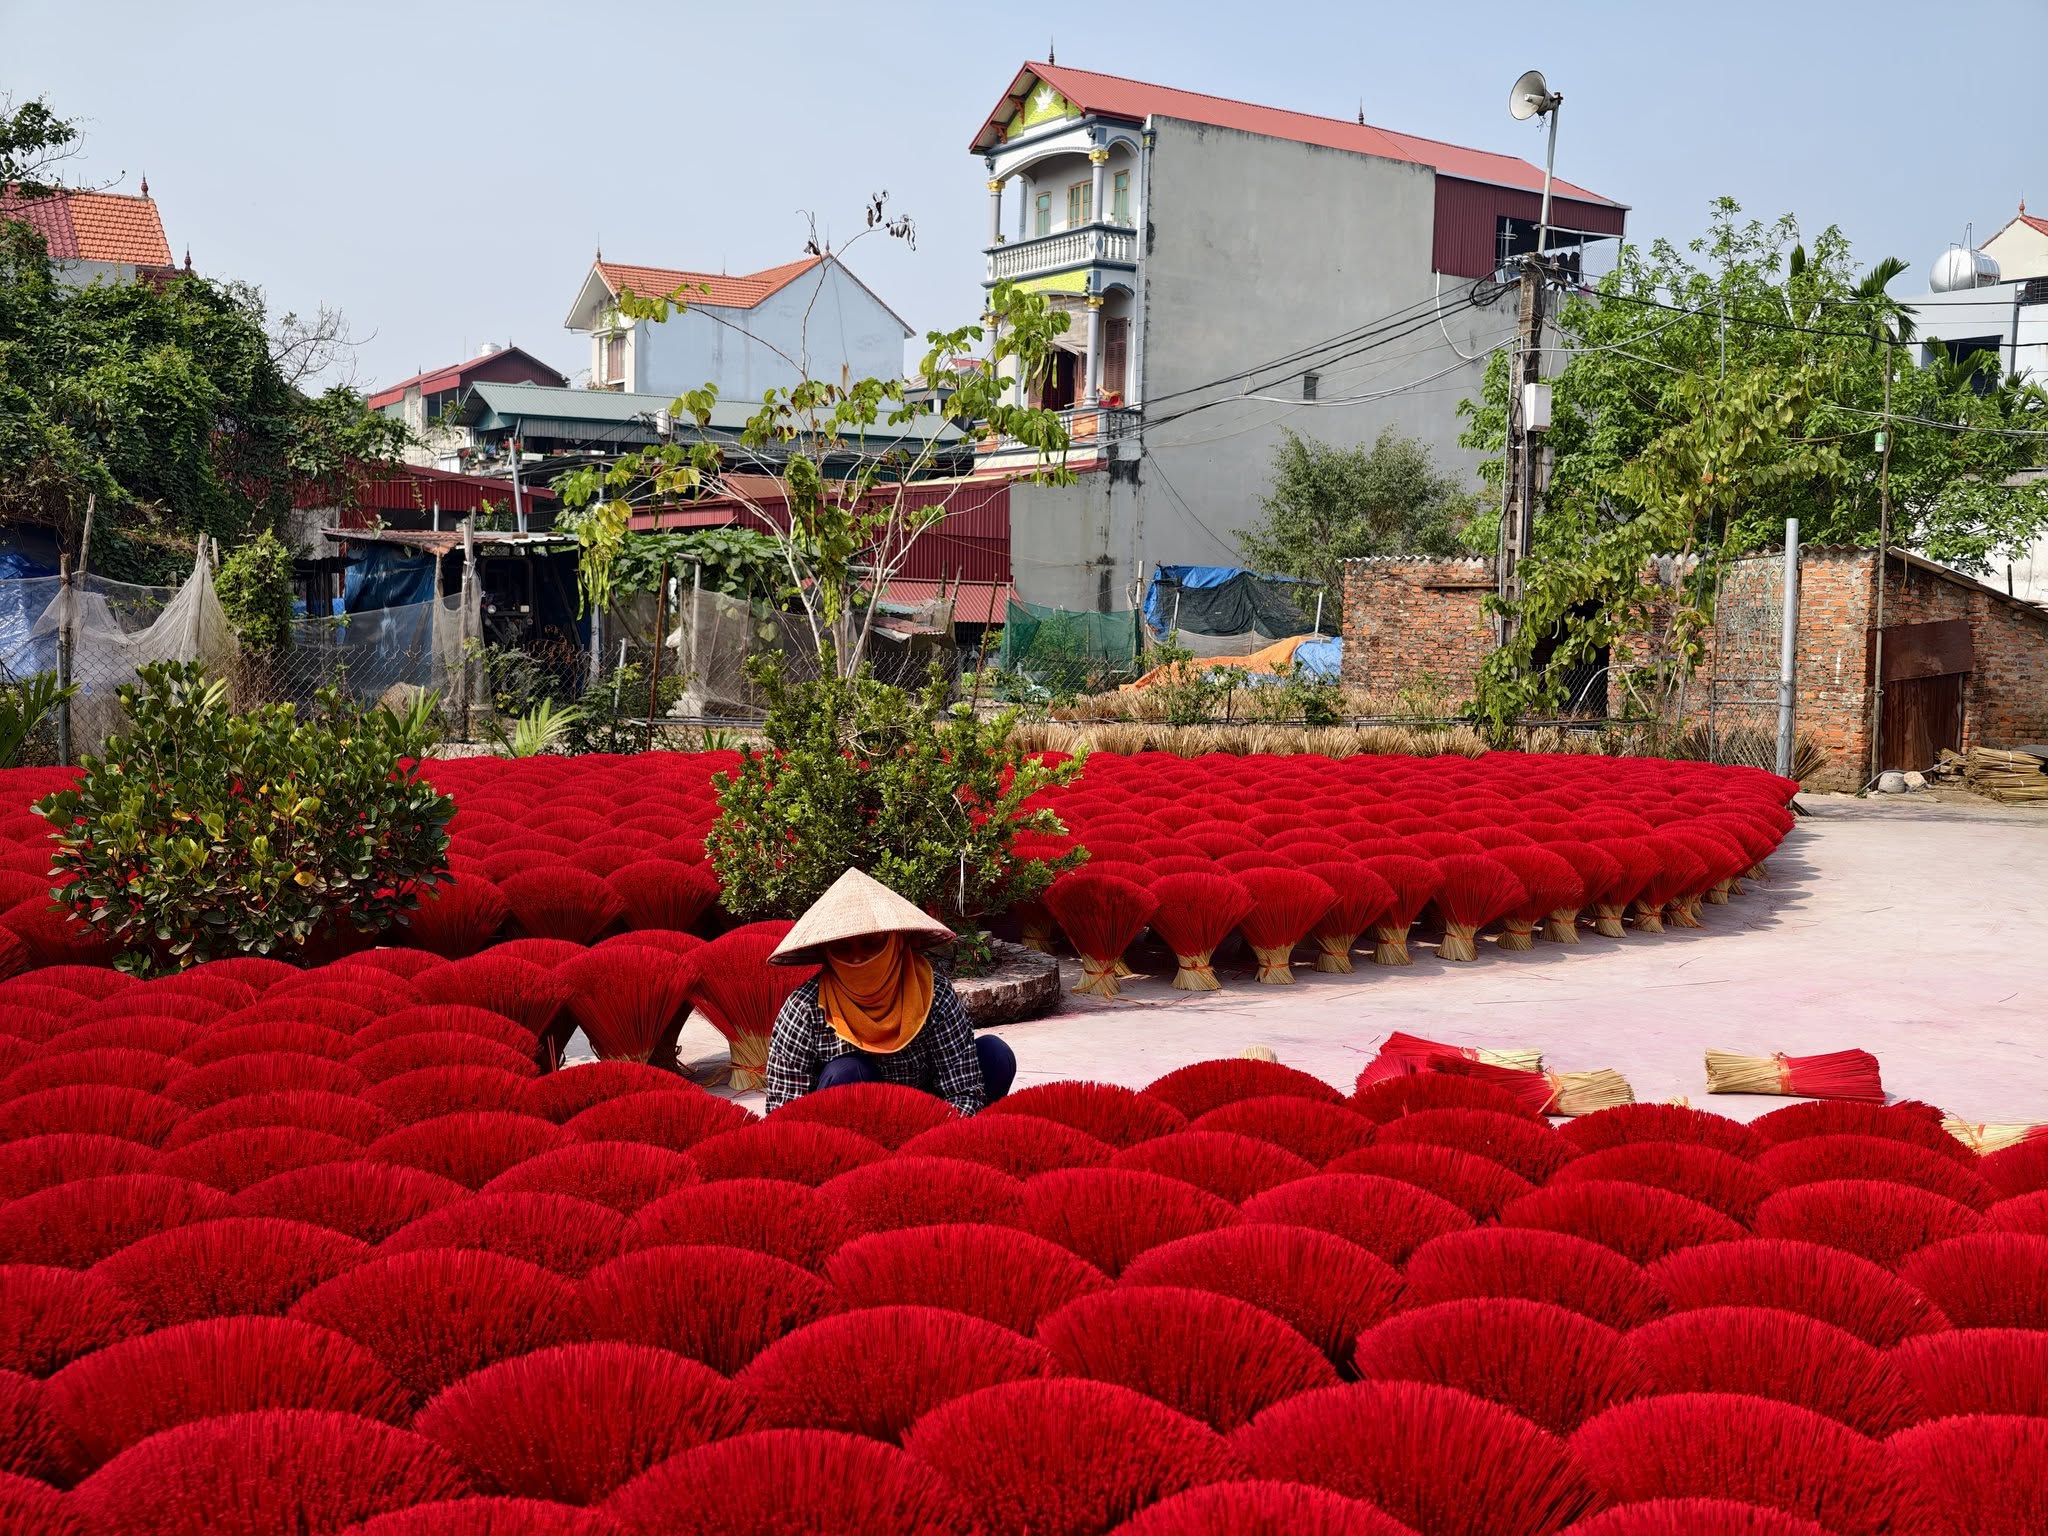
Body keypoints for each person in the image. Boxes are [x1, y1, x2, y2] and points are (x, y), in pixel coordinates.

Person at [763, 867, 1015, 1116]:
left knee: (995, 1054)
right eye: (842, 948)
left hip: (932, 1121)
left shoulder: (933, 993)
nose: (858, 958)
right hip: (851, 1138)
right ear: (826, 952)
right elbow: (785, 1112)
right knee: (848, 1072)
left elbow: (963, 1091)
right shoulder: (805, 1009)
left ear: (897, 941)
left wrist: (932, 1143)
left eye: (873, 942)